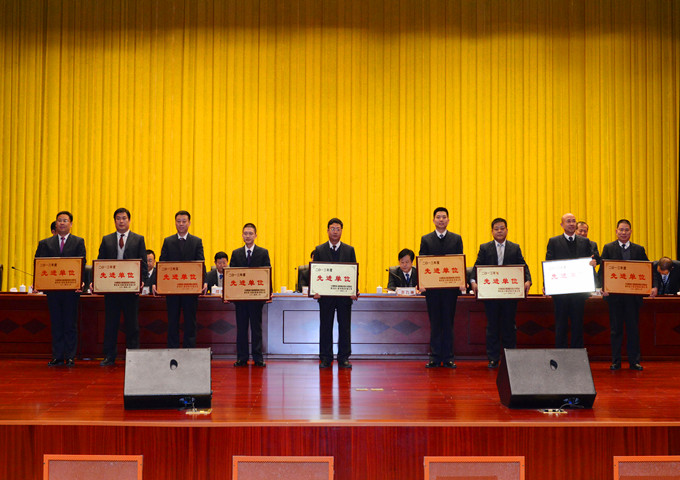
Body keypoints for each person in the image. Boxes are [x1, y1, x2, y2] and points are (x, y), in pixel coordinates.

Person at [470, 218, 532, 368]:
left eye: (502, 228)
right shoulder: (485, 248)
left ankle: (510, 358)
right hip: (491, 296)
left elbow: (523, 266)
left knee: (509, 326)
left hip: (509, 295)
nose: (499, 231)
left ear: (507, 230)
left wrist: (528, 281)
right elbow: (477, 267)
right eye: (496, 229)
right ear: (492, 231)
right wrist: (473, 282)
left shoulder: (514, 248)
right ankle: (493, 358)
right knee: (492, 326)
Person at [600, 220, 657, 370]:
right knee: (616, 330)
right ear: (616, 231)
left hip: (633, 298)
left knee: (633, 330)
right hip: (615, 298)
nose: (623, 232)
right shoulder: (608, 248)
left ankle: (634, 361)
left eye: (626, 230)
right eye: (621, 230)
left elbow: (649, 269)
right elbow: (602, 271)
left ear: (631, 232)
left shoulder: (639, 249)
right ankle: (616, 361)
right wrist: (602, 287)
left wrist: (654, 286)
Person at [96, 208, 148, 366]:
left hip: (130, 290)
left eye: (124, 218)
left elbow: (143, 263)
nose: (121, 221)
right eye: (118, 218)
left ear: (129, 220)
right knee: (111, 323)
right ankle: (109, 355)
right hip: (111, 290)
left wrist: (143, 281)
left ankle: (133, 356)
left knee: (132, 324)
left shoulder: (138, 239)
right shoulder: (107, 239)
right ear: (114, 221)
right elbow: (100, 262)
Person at [35, 211, 86, 367]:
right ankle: (57, 356)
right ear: (55, 224)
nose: (62, 223)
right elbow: (39, 264)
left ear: (71, 224)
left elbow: (81, 263)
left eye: (65, 220)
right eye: (59, 220)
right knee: (56, 323)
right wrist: (38, 283)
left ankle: (70, 356)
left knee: (70, 324)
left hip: (71, 291)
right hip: (53, 291)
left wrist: (81, 282)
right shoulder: (45, 243)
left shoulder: (78, 242)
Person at [418, 207, 463, 368]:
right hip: (433, 290)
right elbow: (422, 261)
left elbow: (459, 261)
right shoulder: (426, 239)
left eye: (444, 217)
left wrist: (461, 281)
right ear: (433, 220)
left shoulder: (456, 239)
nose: (441, 219)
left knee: (448, 323)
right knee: (435, 323)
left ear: (448, 220)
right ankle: (435, 357)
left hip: (450, 290)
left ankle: (449, 357)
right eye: (438, 217)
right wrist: (422, 283)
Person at [156, 210, 207, 348]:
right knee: (172, 320)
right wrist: (156, 282)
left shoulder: (196, 241)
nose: (181, 224)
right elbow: (162, 263)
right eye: (178, 221)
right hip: (172, 290)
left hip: (190, 289)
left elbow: (201, 263)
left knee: (190, 320)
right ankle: (172, 349)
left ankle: (189, 349)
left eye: (184, 221)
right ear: (175, 223)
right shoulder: (168, 241)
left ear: (189, 223)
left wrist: (204, 281)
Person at [545, 213, 597, 348]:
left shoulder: (585, 242)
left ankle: (577, 354)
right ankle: (561, 354)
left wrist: (594, 262)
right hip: (560, 292)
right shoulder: (554, 241)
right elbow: (549, 262)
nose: (572, 223)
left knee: (577, 324)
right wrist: (547, 285)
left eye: (573, 221)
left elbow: (593, 259)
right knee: (560, 324)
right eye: (568, 221)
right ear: (562, 225)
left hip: (579, 292)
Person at [312, 218, 358, 369]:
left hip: (344, 297)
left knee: (344, 327)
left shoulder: (349, 250)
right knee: (326, 327)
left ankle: (344, 358)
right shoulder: (319, 250)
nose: (335, 232)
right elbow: (316, 273)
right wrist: (315, 290)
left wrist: (354, 290)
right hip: (326, 297)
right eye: (332, 229)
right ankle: (325, 358)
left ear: (341, 231)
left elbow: (354, 272)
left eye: (338, 229)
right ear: (327, 231)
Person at [230, 223, 271, 367]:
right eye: (245, 233)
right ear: (242, 235)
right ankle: (242, 358)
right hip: (240, 299)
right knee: (241, 329)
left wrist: (268, 293)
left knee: (256, 328)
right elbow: (231, 276)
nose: (248, 236)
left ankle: (258, 358)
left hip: (256, 298)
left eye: (250, 233)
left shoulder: (263, 252)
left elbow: (267, 273)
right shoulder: (236, 253)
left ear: (255, 235)